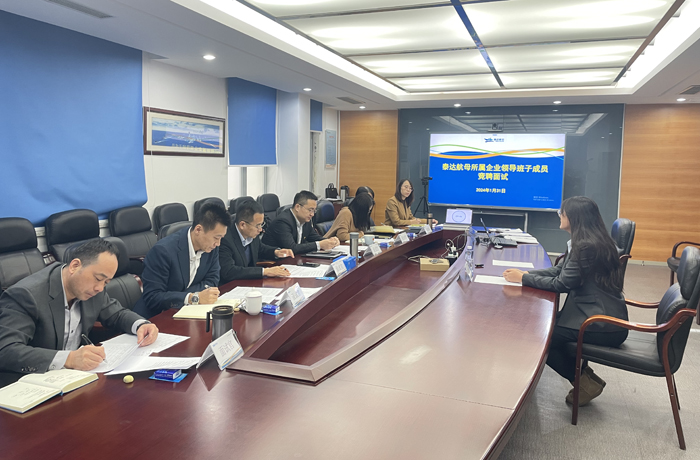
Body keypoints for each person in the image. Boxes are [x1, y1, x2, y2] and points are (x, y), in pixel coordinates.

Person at [503, 196, 627, 406]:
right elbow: (559, 270)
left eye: (562, 213)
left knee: (540, 338)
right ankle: (587, 378)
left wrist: (523, 279)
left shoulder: (586, 247)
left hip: (601, 323)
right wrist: (526, 274)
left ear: (575, 217)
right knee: (543, 328)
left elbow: (562, 283)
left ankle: (583, 382)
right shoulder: (586, 242)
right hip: (595, 314)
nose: (559, 216)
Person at [0, 239, 159, 375]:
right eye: (98, 279)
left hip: (77, 377)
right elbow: (6, 350)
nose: (100, 288)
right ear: (75, 266)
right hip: (34, 381)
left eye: (106, 282)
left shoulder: (92, 290)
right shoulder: (26, 295)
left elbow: (116, 314)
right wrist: (68, 359)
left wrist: (141, 325)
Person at [133, 202, 229, 319]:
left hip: (189, 312)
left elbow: (212, 280)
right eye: (216, 237)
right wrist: (192, 297)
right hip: (157, 317)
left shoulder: (211, 248)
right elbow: (153, 297)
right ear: (198, 229)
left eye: (221, 238)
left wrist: (190, 296)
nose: (218, 243)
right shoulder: (163, 251)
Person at [219, 201, 294, 284]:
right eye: (257, 225)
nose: (260, 229)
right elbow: (229, 271)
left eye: (261, 225)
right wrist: (265, 271)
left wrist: (276, 252)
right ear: (243, 225)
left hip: (249, 283)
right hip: (230, 285)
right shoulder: (225, 238)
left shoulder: (252, 232)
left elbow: (260, 249)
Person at [262, 190, 339, 255]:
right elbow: (292, 248)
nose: (312, 214)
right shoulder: (283, 222)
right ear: (297, 207)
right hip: (273, 262)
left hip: (294, 260)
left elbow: (314, 237)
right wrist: (319, 245)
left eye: (314, 211)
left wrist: (329, 241)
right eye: (310, 210)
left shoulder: (305, 219)